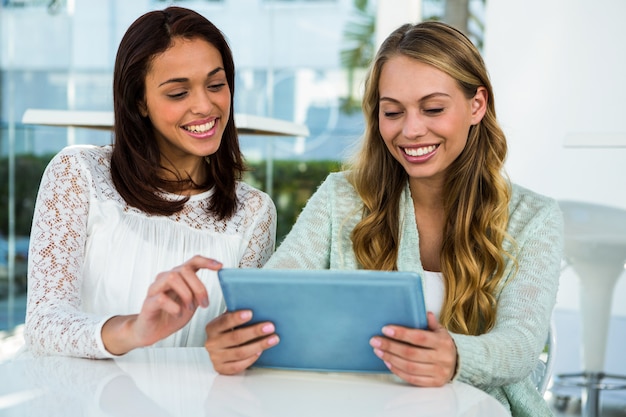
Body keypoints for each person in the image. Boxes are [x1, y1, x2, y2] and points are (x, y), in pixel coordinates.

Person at [204, 21, 563, 416]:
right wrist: (238, 334)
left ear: (477, 105)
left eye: (433, 109)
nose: (410, 130)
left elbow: (522, 344)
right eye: (392, 112)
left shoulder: (534, 218)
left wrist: (454, 357)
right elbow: (276, 289)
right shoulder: (342, 197)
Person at [24, 6, 276, 359]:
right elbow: (43, 323)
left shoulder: (253, 211)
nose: (205, 105)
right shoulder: (78, 173)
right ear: (139, 101)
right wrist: (134, 329)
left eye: (216, 85)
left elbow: (241, 341)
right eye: (178, 93)